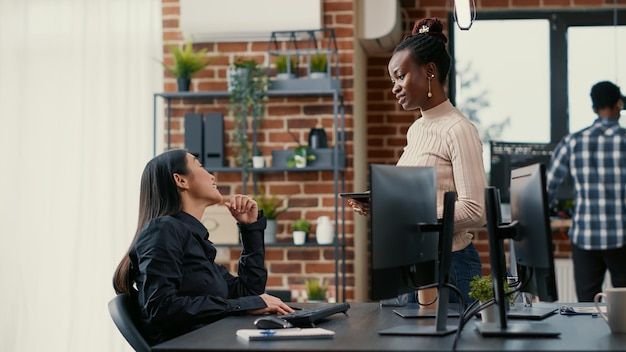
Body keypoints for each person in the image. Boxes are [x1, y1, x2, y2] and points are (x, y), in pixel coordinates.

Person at [348, 18, 485, 306]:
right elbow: (417, 203)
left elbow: (475, 211)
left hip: (451, 267)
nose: (395, 87)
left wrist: (408, 216)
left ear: (430, 71)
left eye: (400, 76)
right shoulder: (418, 129)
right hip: (413, 263)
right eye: (392, 81)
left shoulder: (459, 129)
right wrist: (384, 208)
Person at [112, 149, 293, 344]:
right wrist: (246, 305)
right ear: (181, 180)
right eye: (200, 166)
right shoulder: (163, 230)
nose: (212, 176)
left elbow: (249, 291)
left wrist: (250, 229)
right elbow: (161, 308)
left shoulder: (192, 238)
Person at [547, 81, 626, 302]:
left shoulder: (573, 142)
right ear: (619, 104)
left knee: (587, 306)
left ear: (594, 108)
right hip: (622, 236)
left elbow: (545, 188)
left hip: (585, 236)